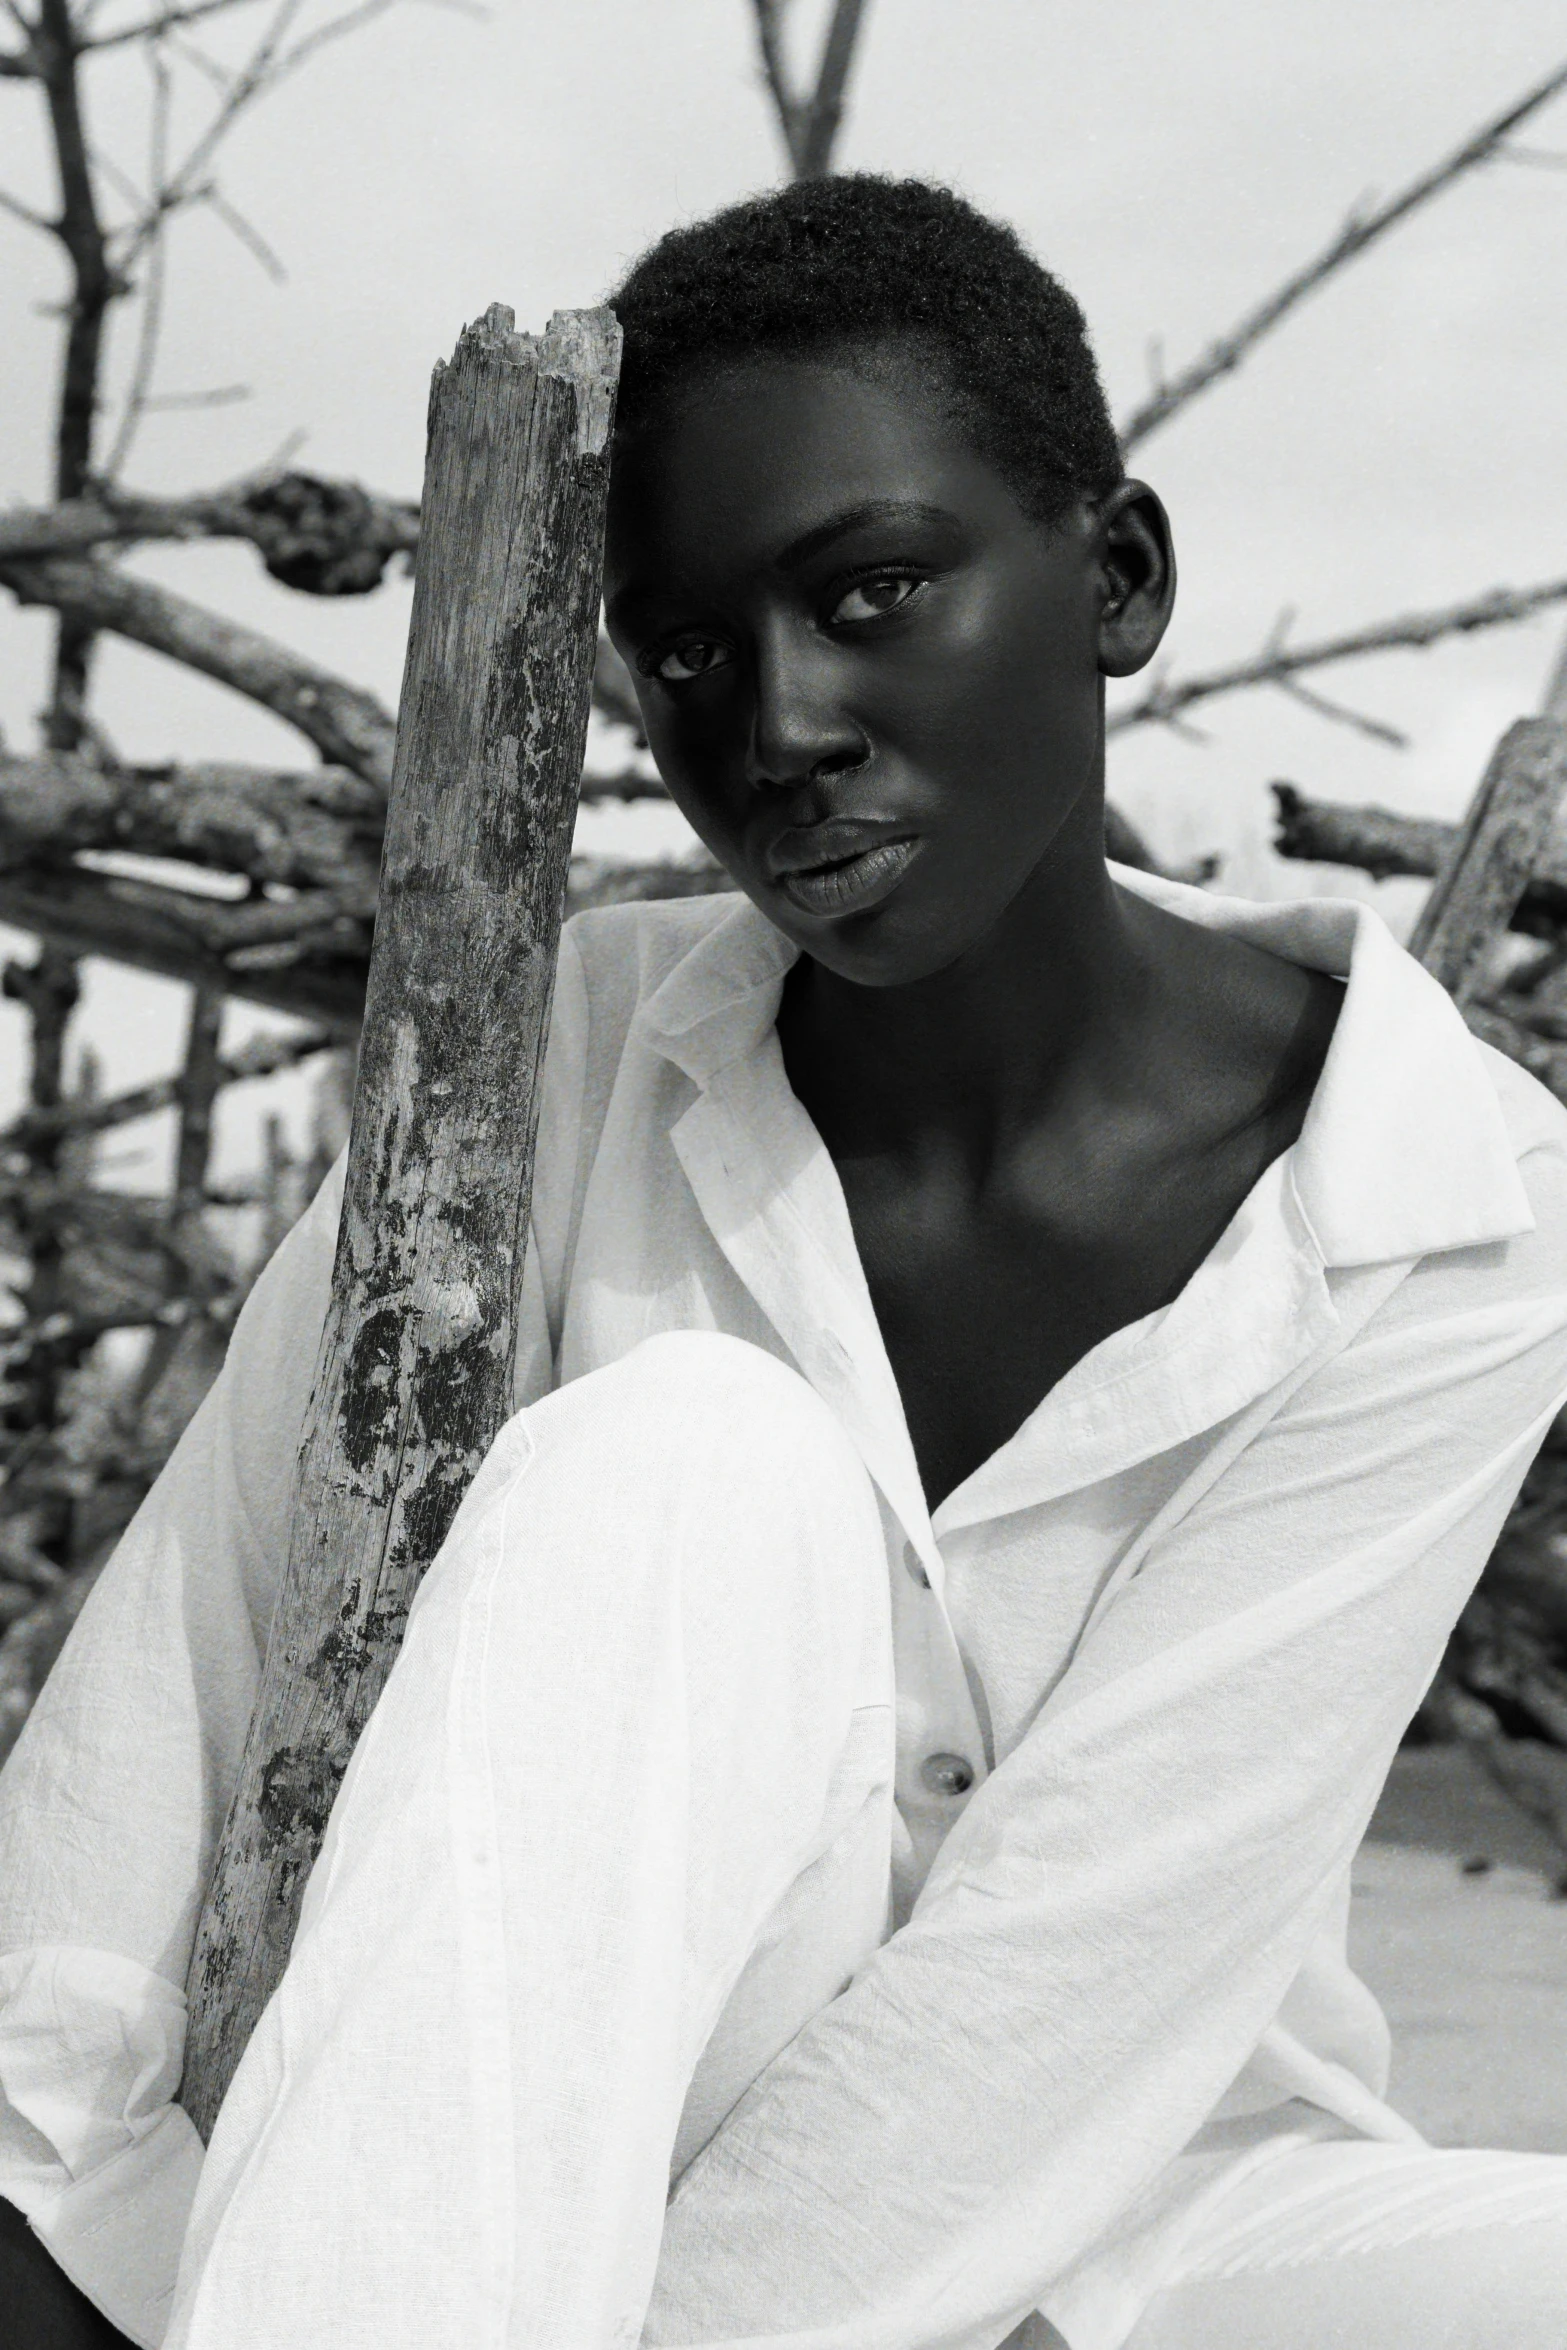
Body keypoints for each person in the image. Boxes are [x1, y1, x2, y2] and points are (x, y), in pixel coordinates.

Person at [3, 174, 1567, 2350]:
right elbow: (177, 1686)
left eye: (876, 588)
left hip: (1147, 2188)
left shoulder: (1452, 1195)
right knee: (698, 1462)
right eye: (686, 648)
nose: (779, 724)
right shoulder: (537, 1047)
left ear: (1114, 581)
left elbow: (1093, 1968)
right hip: (504, 2180)